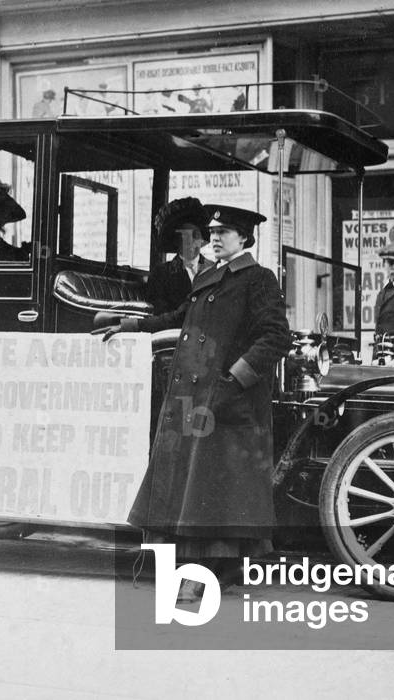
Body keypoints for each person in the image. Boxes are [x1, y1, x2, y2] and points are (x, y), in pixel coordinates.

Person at [96, 204, 290, 602]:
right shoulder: (209, 276)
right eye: (212, 232)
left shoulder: (258, 278)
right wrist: (132, 325)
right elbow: (179, 318)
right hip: (194, 399)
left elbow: (275, 337)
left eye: (224, 233)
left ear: (245, 238)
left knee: (214, 491)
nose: (214, 238)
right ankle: (193, 572)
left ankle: (203, 574)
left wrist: (233, 380)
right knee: (189, 489)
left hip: (228, 402)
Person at [145, 197, 214, 314]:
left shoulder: (214, 269)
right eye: (185, 236)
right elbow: (159, 313)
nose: (191, 242)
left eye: (195, 235)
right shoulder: (160, 274)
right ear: (176, 240)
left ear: (202, 239)